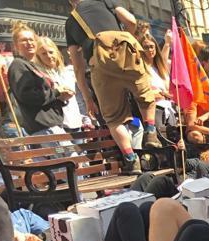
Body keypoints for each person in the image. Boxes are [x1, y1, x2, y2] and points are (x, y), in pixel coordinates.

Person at [65, 0, 158, 173]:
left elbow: (77, 68)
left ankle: (131, 159)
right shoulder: (105, 1)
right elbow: (130, 21)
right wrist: (125, 38)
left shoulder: (71, 21)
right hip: (127, 56)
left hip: (101, 67)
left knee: (114, 118)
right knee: (145, 95)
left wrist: (88, 99)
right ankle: (151, 131)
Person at [6, 23, 68, 136]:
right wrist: (56, 92)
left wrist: (60, 98)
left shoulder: (30, 65)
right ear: (15, 45)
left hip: (51, 125)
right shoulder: (18, 65)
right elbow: (29, 96)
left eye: (31, 39)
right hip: (44, 128)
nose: (29, 43)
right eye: (24, 40)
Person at [35, 36, 83, 131]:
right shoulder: (40, 75)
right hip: (58, 125)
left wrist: (86, 120)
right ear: (38, 56)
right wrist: (59, 96)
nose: (49, 56)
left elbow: (79, 98)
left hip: (76, 122)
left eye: (51, 52)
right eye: (44, 54)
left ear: (56, 52)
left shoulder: (68, 72)